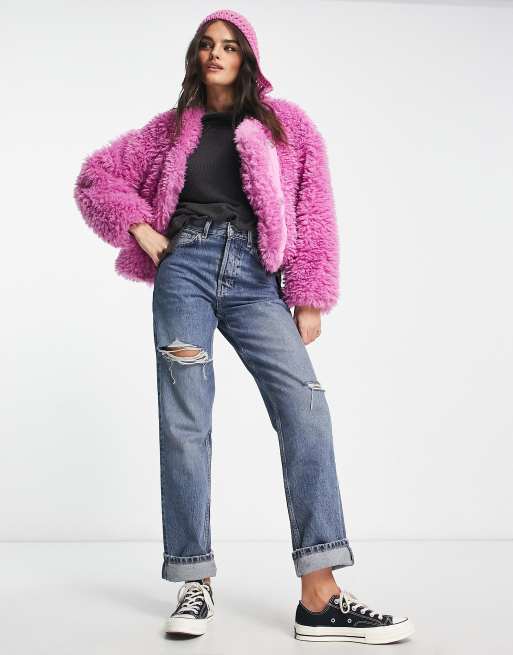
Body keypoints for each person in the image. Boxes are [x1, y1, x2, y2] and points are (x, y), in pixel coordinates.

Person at [74, 8, 414, 645]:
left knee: (305, 410)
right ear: (195, 57)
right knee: (185, 423)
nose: (216, 53)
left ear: (247, 58)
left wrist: (309, 295)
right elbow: (96, 178)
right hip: (186, 269)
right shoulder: (170, 129)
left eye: (229, 46)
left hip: (257, 277)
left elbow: (314, 208)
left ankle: (319, 596)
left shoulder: (287, 126)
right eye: (206, 44)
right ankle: (193, 580)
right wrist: (143, 229)